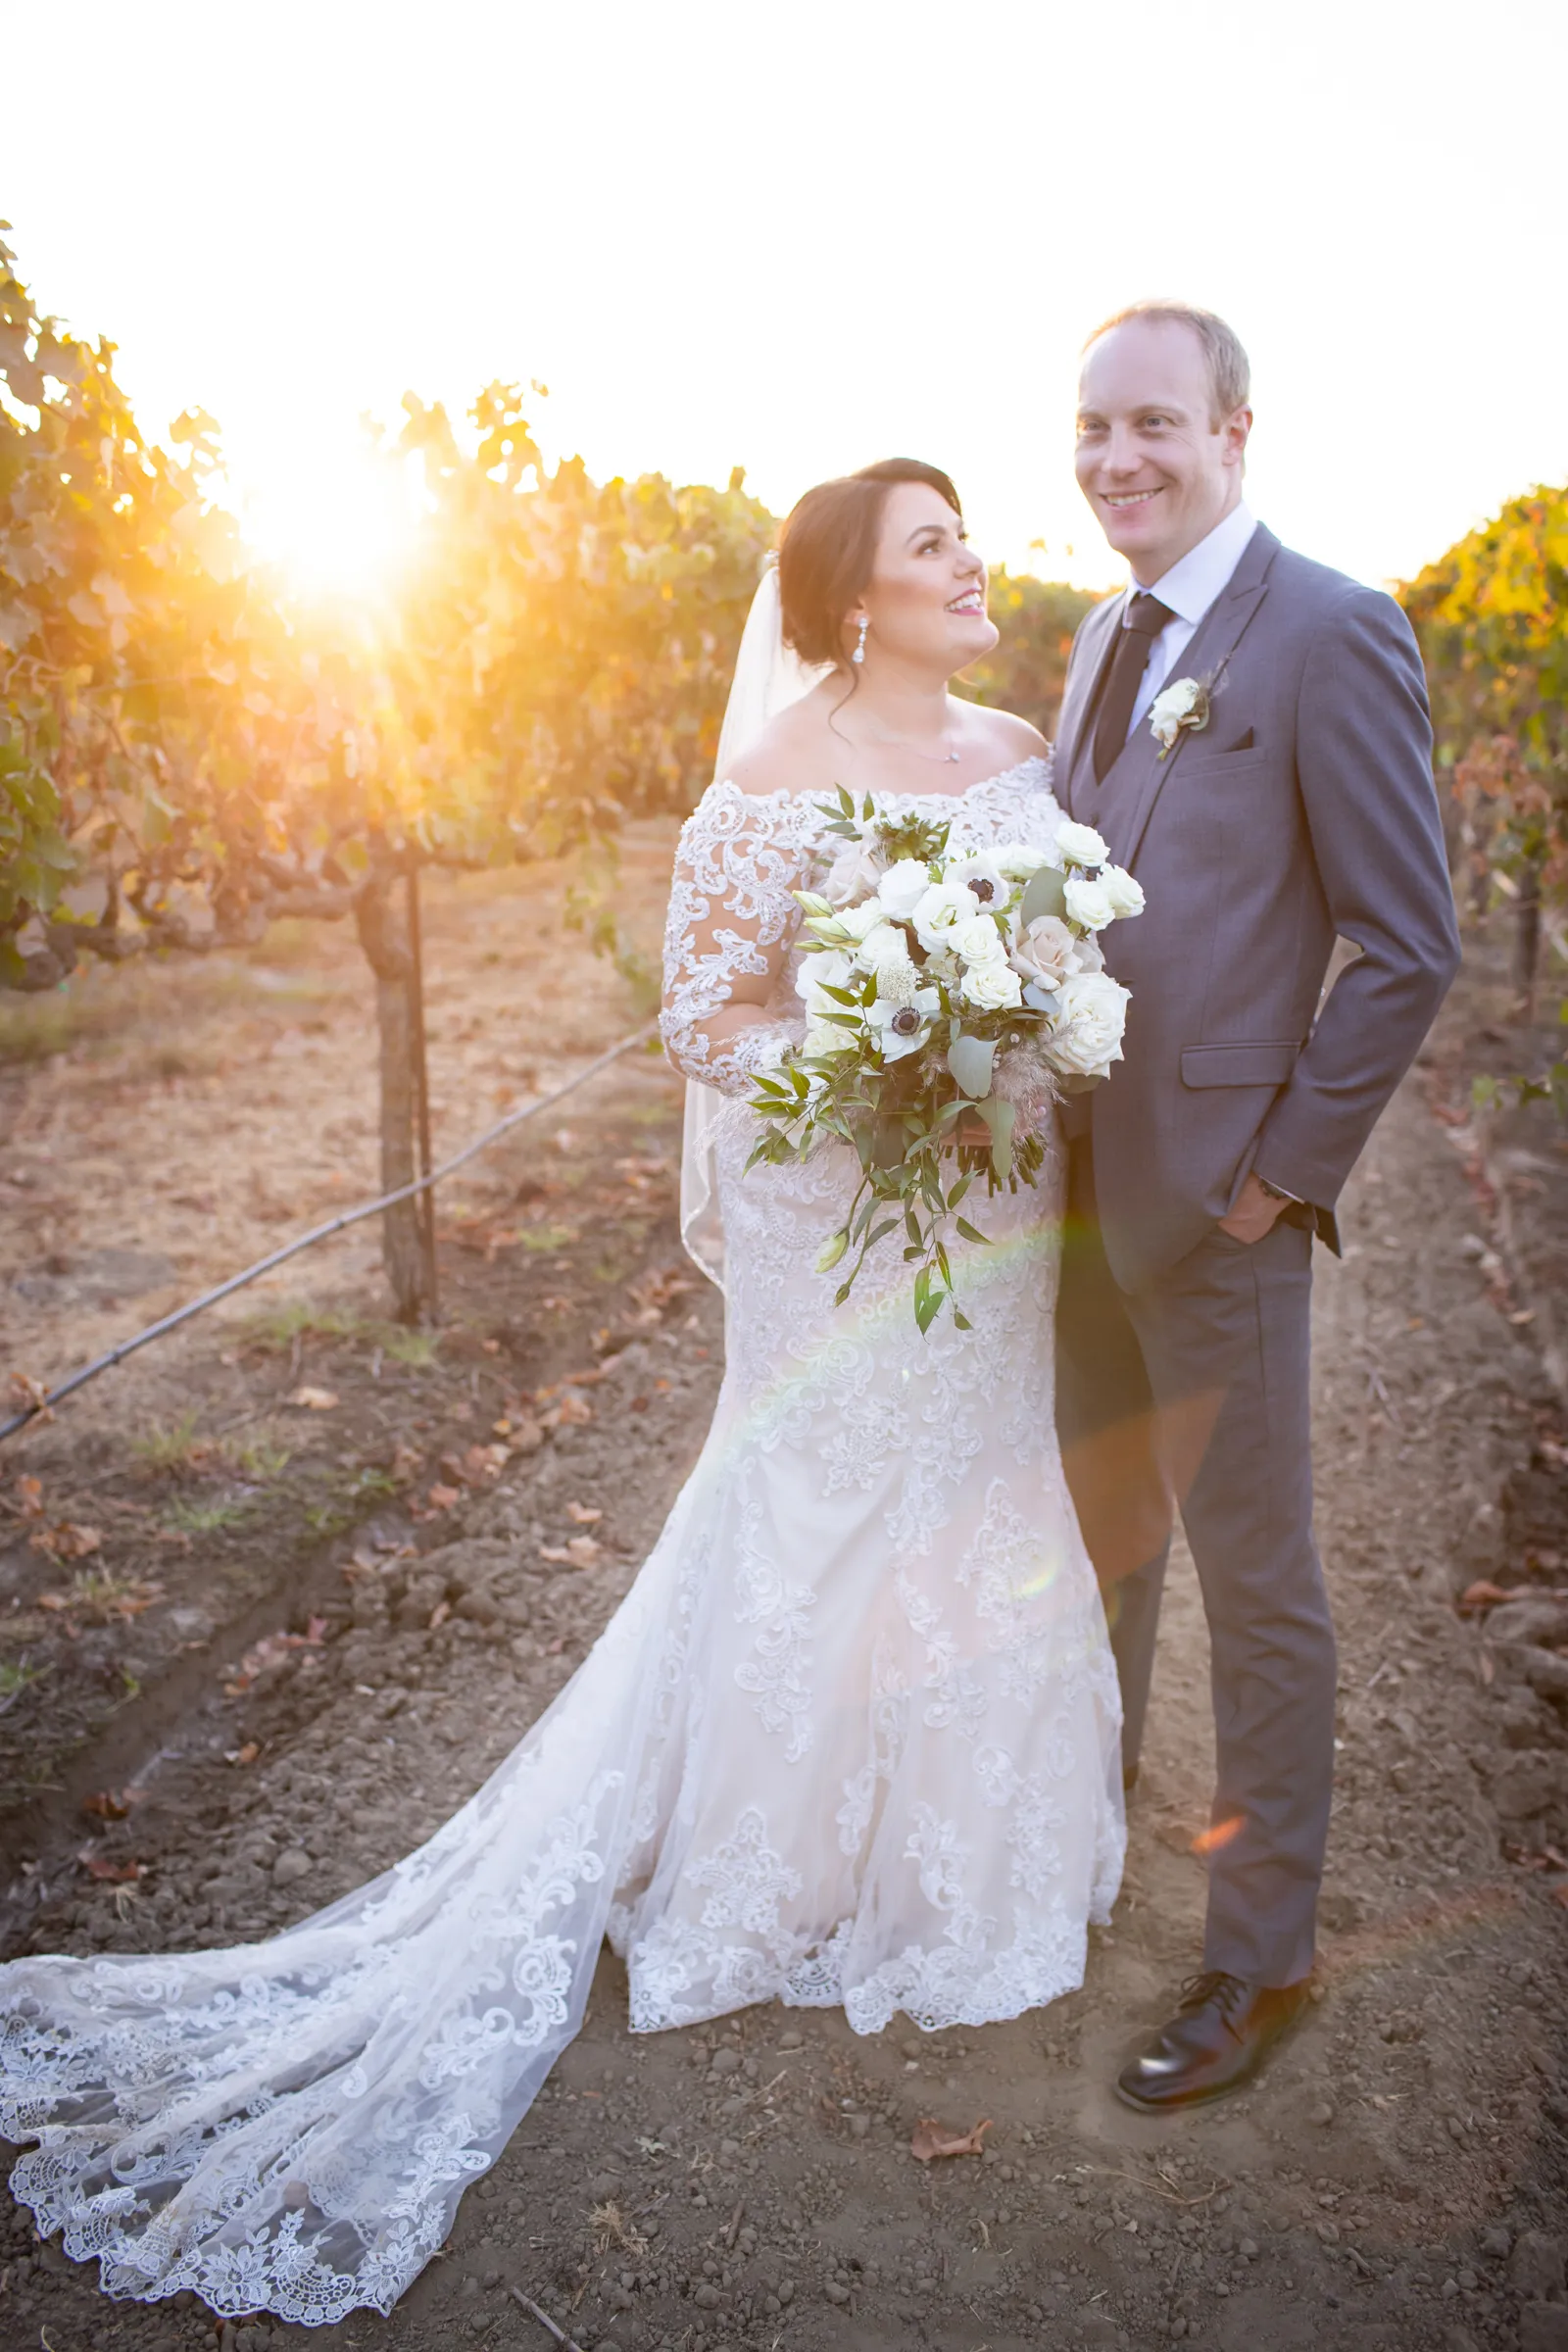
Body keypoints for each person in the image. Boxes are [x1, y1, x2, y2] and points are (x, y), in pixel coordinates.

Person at [0, 458, 1123, 2328]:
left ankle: (960, 1875)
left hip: (992, 1200)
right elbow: (705, 1010)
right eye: (934, 542)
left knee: (980, 1483)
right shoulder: (764, 782)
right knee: (816, 1498)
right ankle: (769, 1873)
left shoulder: (1017, 746)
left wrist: (1014, 1007)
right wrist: (883, 1028)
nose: (972, 561)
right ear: (856, 595)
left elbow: (1068, 947)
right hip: (838, 1205)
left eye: (964, 536)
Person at [1053, 302, 1460, 2112]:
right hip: (1067, 1207)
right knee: (1102, 1560)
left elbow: (1406, 940)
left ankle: (1258, 1958)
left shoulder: (1330, 630)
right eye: (1089, 429)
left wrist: (1280, 1174)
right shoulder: (1094, 640)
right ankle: (1069, 1872)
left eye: (1151, 423)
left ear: (1233, 429)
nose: (1115, 459)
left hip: (1216, 1204)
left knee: (1257, 1587)